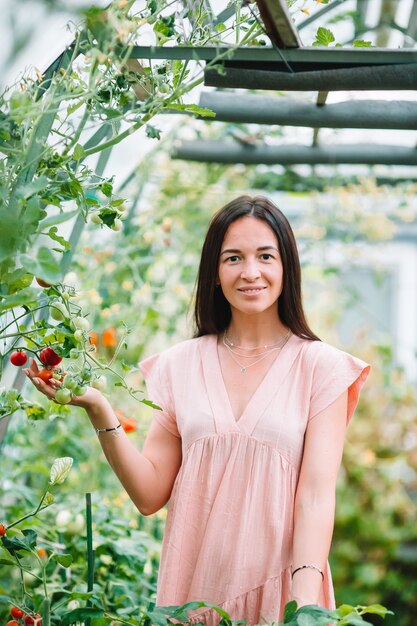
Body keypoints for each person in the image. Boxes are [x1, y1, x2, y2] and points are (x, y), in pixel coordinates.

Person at [25, 195, 370, 625]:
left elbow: (316, 497)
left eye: (266, 256)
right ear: (214, 273)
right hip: (192, 595)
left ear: (287, 268)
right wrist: (99, 408)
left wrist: (303, 610)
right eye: (233, 258)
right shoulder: (179, 365)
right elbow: (150, 494)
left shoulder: (322, 367)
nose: (250, 272)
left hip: (285, 595)